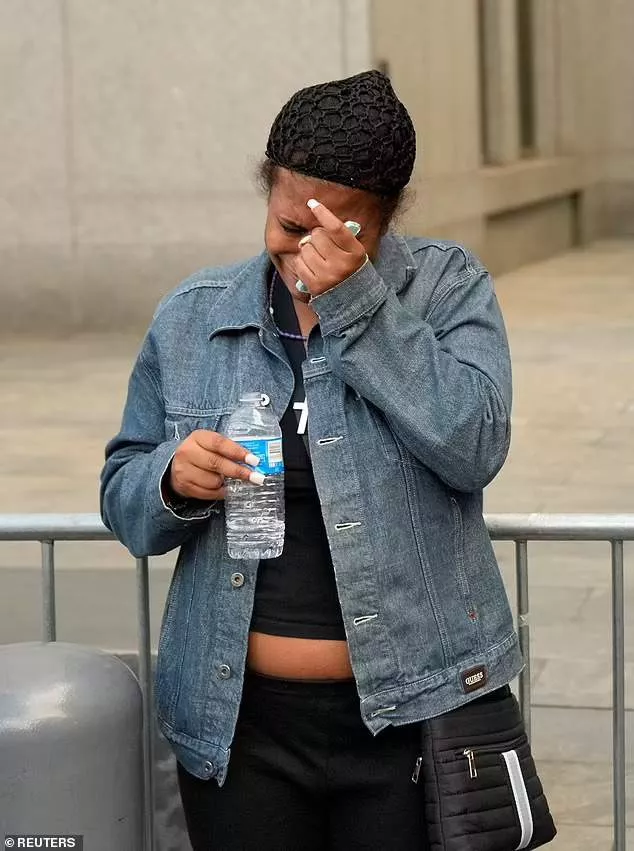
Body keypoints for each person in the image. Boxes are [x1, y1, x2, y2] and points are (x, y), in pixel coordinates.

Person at [100, 70, 523, 851]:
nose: (305, 250)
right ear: (268, 192)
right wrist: (171, 481)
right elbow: (123, 493)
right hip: (239, 728)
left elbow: (475, 444)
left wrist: (360, 305)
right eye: (289, 222)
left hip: (413, 722)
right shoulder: (196, 316)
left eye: (339, 233)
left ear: (386, 219)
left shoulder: (447, 288)